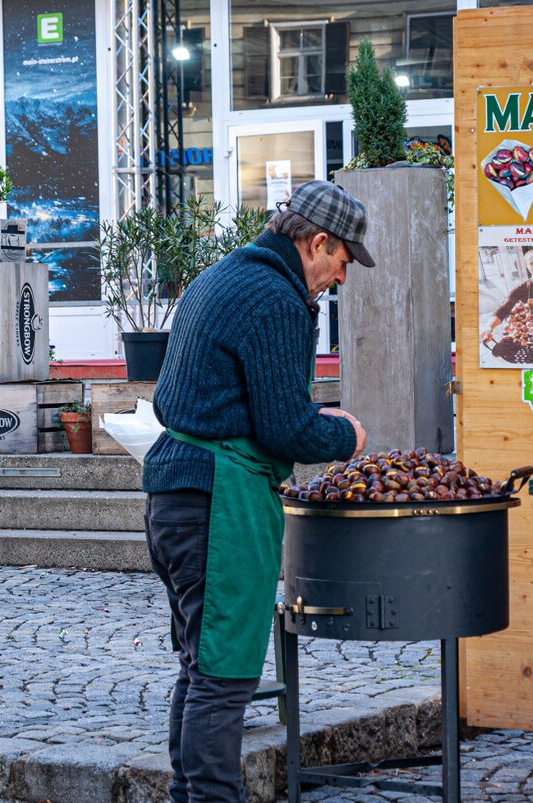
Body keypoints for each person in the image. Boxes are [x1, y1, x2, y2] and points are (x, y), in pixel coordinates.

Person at [144, 179, 373, 802]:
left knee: (200, 667)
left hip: (175, 490)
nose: (342, 278)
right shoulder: (274, 297)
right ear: (317, 241)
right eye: (342, 261)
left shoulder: (221, 277)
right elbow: (284, 426)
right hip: (219, 498)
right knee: (225, 675)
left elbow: (175, 397)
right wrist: (343, 434)